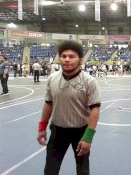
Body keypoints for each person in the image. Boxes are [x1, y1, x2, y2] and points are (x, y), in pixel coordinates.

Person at [37, 41, 101, 175]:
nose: (67, 59)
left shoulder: (89, 81)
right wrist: (42, 127)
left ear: (80, 60)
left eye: (72, 56)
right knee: (50, 170)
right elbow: (49, 103)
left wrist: (88, 137)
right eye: (63, 56)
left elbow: (95, 109)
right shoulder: (52, 78)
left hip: (80, 132)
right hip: (57, 132)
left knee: (82, 169)